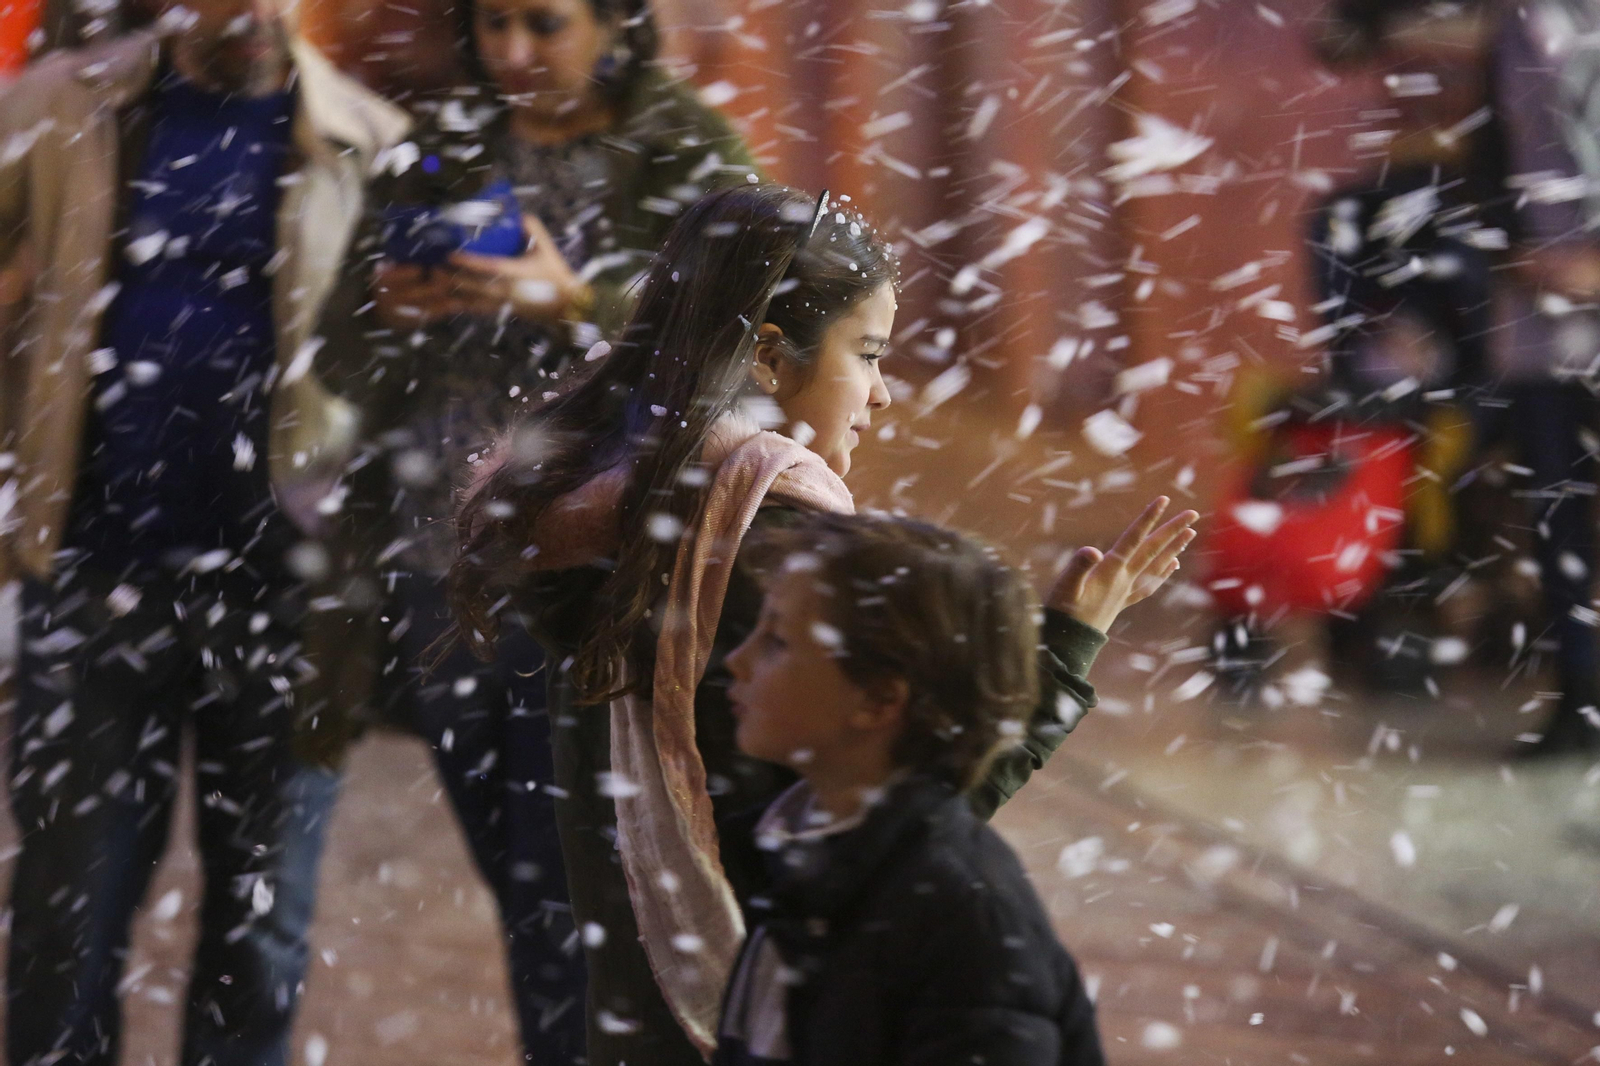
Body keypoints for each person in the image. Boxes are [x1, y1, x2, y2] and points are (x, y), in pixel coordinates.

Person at [449, 182, 1198, 1064]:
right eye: (869, 353)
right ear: (769, 356)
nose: (879, 396)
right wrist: (1070, 641)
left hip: (635, 1017)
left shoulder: (606, 516)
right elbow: (901, 824)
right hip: (770, 1019)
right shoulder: (766, 558)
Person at [311, 0, 761, 1056]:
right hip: (448, 565)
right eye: (494, 23)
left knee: (602, 887)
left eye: (544, 25)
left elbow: (747, 339)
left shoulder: (686, 145)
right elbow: (338, 356)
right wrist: (395, 312)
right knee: (523, 885)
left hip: (606, 573)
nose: (513, 51)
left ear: (617, 25)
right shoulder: (443, 147)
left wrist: (577, 300)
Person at [0, 2, 409, 1063]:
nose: (258, 11)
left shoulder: (373, 140)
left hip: (288, 597)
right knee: (61, 922)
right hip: (91, 575)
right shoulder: (63, 106)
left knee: (261, 935)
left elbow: (405, 372)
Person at [714, 512, 1108, 1066]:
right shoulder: (799, 856)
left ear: (878, 701)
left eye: (777, 641)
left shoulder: (962, 918)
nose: (738, 660)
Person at [1317, 0, 1600, 754]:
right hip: (1540, 325)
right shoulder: (1517, 28)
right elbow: (1500, 155)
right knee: (1557, 514)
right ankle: (1580, 699)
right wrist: (1514, 249)